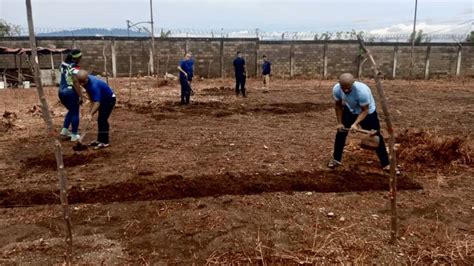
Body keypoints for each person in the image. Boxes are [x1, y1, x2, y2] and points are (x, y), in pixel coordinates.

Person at [328, 73, 396, 173]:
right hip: (350, 110)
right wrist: (340, 123)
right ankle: (336, 160)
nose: (346, 90)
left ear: (353, 84)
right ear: (340, 85)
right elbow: (338, 106)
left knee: (375, 135)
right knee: (340, 133)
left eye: (348, 88)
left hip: (368, 113)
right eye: (344, 88)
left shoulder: (362, 91)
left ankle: (386, 164)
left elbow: (365, 110)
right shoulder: (337, 89)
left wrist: (355, 124)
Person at [76, 70, 116, 149]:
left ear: (86, 79)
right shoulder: (84, 81)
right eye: (80, 82)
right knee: (100, 120)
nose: (82, 84)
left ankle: (104, 142)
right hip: (101, 99)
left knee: (102, 119)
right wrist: (91, 106)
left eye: (83, 82)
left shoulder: (94, 85)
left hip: (109, 100)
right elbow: (90, 94)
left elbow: (97, 103)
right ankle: (99, 140)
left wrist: (90, 114)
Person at [58, 49, 83, 141]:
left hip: (61, 91)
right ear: (78, 58)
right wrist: (81, 95)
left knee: (71, 110)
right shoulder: (74, 67)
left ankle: (64, 130)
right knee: (75, 112)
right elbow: (75, 82)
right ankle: (74, 135)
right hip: (70, 92)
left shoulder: (63, 64)